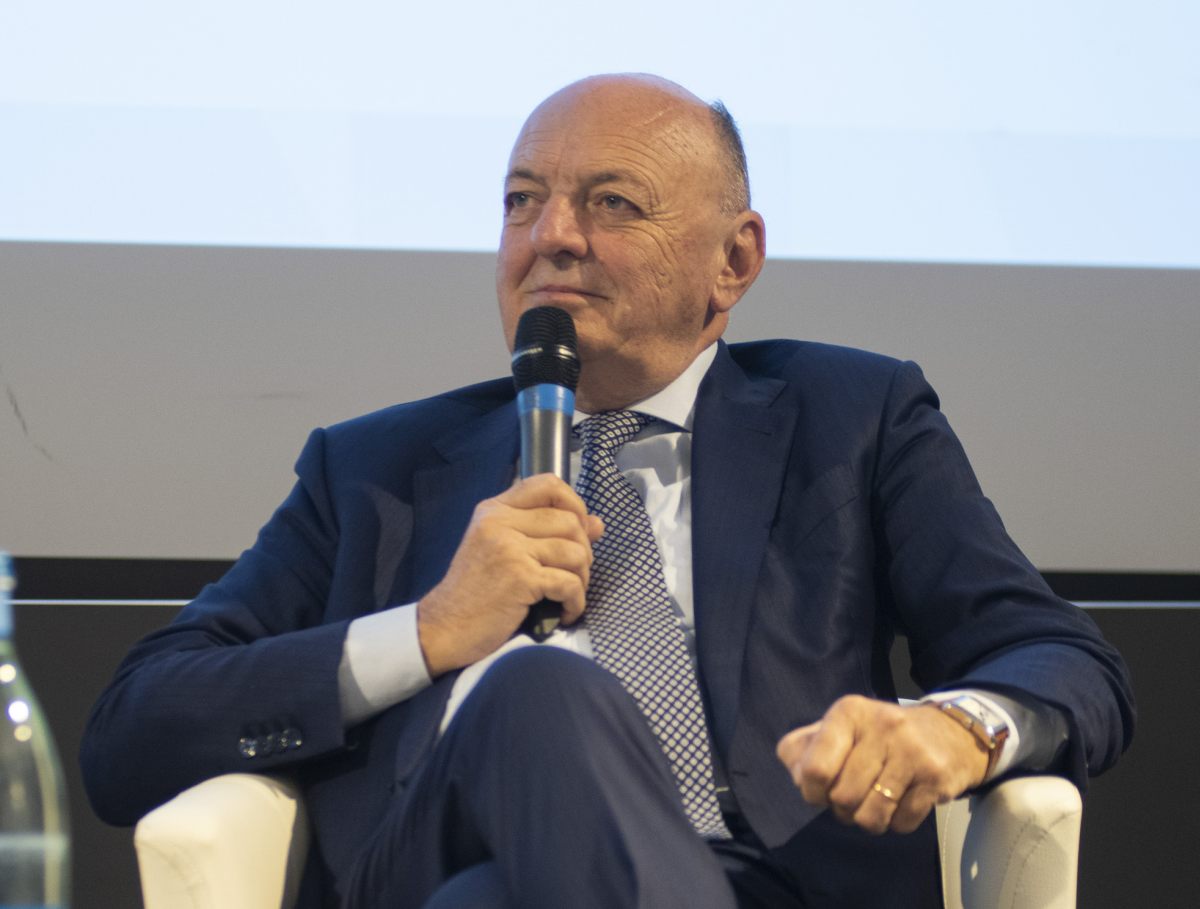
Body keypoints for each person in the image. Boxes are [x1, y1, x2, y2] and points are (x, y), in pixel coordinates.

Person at [81, 74, 1134, 908]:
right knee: (533, 690)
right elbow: (131, 730)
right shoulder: (373, 470)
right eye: (521, 202)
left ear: (734, 260)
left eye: (611, 203)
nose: (551, 237)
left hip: (766, 884)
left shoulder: (853, 418)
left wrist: (956, 727)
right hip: (427, 850)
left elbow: (1059, 655)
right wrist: (430, 630)